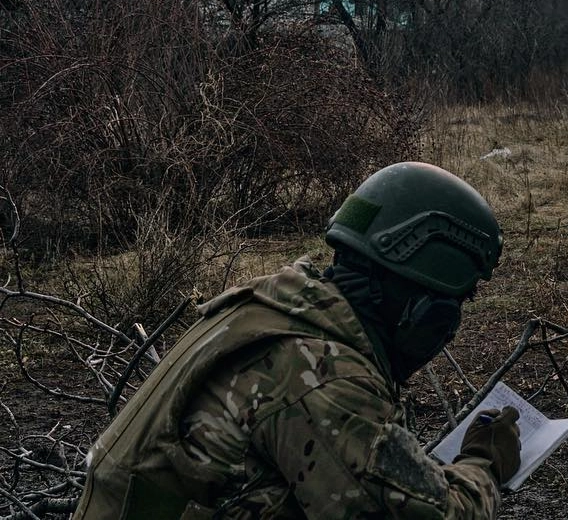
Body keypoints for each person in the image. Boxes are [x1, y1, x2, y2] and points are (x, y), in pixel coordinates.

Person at [74, 161, 521, 519]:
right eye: (452, 307)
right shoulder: (321, 374)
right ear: (421, 310)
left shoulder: (271, 308)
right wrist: (484, 465)